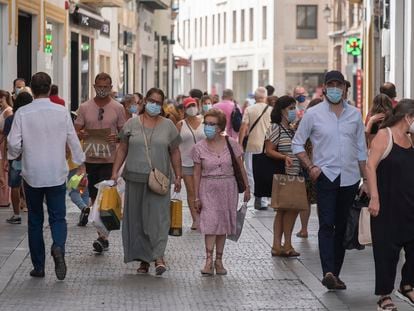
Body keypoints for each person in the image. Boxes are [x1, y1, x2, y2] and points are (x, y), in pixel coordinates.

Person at [292, 70, 368, 290]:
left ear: (345, 88)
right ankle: (327, 271)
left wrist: (367, 180)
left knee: (342, 225)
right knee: (327, 224)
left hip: (350, 177)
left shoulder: (354, 114)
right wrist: (310, 166)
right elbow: (298, 144)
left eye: (339, 84)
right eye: (331, 84)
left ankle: (335, 272)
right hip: (326, 176)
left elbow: (361, 150)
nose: (335, 88)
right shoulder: (313, 114)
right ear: (324, 88)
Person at [8, 72, 85, 280]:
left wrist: (14, 155)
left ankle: (39, 266)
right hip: (56, 172)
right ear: (50, 89)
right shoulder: (61, 112)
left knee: (34, 219)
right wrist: (80, 163)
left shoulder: (23, 113)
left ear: (31, 90)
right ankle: (58, 246)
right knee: (58, 216)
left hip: (32, 173)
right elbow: (73, 140)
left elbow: (13, 144)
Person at [111, 88, 182, 276]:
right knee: (138, 221)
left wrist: (179, 175)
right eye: (152, 101)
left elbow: (175, 152)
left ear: (162, 105)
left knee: (158, 219)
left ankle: (158, 256)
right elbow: (122, 149)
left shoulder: (168, 125)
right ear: (144, 102)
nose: (154, 105)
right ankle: (143, 260)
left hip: (159, 180)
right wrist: (114, 173)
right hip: (134, 178)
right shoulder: (131, 124)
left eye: (159, 102)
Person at [366, 100, 414, 311]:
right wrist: (374, 197)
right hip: (387, 206)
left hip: (410, 204)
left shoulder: (411, 138)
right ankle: (384, 295)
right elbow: (370, 165)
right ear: (408, 117)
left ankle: (407, 285)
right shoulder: (385, 135)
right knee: (386, 252)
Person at [193, 108, 250, 276]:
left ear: (220, 127)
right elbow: (196, 173)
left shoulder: (231, 143)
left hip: (228, 187)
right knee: (210, 223)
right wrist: (196, 196)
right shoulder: (198, 148)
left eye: (212, 124)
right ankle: (208, 260)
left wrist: (247, 187)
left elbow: (240, 166)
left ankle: (219, 260)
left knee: (223, 224)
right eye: (206, 124)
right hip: (208, 187)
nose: (208, 127)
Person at [75, 72, 126, 251]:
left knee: (104, 197)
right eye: (99, 86)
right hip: (90, 159)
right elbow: (76, 130)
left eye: (106, 87)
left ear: (111, 87)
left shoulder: (118, 108)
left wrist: (116, 137)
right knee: (94, 197)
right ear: (94, 86)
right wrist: (81, 134)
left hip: (109, 159)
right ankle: (101, 234)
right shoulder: (84, 107)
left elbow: (125, 134)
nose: (102, 90)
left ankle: (102, 237)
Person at [264, 96, 302, 257]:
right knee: (287, 210)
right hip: (284, 175)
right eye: (290, 108)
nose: (294, 111)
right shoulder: (276, 128)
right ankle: (283, 244)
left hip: (294, 174)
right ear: (281, 110)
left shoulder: (292, 129)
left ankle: (280, 245)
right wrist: (284, 157)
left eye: (295, 107)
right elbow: (269, 150)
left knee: (287, 210)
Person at [238, 87, 271, 210]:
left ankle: (257, 194)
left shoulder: (249, 109)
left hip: (252, 145)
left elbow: (243, 127)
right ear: (265, 97)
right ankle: (264, 199)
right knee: (265, 172)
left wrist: (240, 144)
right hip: (268, 146)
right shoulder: (271, 110)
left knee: (251, 172)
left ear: (255, 98)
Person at [3, 91, 33, 224]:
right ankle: (32, 210)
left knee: (14, 185)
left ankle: (16, 214)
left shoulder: (10, 119)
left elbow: (7, 141)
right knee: (30, 184)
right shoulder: (33, 118)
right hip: (31, 155)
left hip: (14, 156)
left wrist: (5, 159)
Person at [295, 98, 323, 238]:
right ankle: (322, 227)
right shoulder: (325, 122)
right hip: (321, 164)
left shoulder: (303, 122)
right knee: (321, 199)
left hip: (305, 164)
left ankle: (304, 229)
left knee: (305, 200)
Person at [177, 97, 205, 229]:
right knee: (191, 191)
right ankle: (196, 219)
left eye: (193, 105)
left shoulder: (205, 122)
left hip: (204, 163)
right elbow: (174, 146)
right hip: (186, 162)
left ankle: (205, 217)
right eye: (188, 106)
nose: (192, 108)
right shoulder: (180, 124)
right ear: (184, 109)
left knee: (203, 191)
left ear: (198, 106)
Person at [0, 90, 13, 208]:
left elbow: (7, 131)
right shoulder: (3, 111)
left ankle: (4, 199)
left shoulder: (8, 111)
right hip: (2, 142)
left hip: (3, 143)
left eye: (1, 99)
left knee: (3, 171)